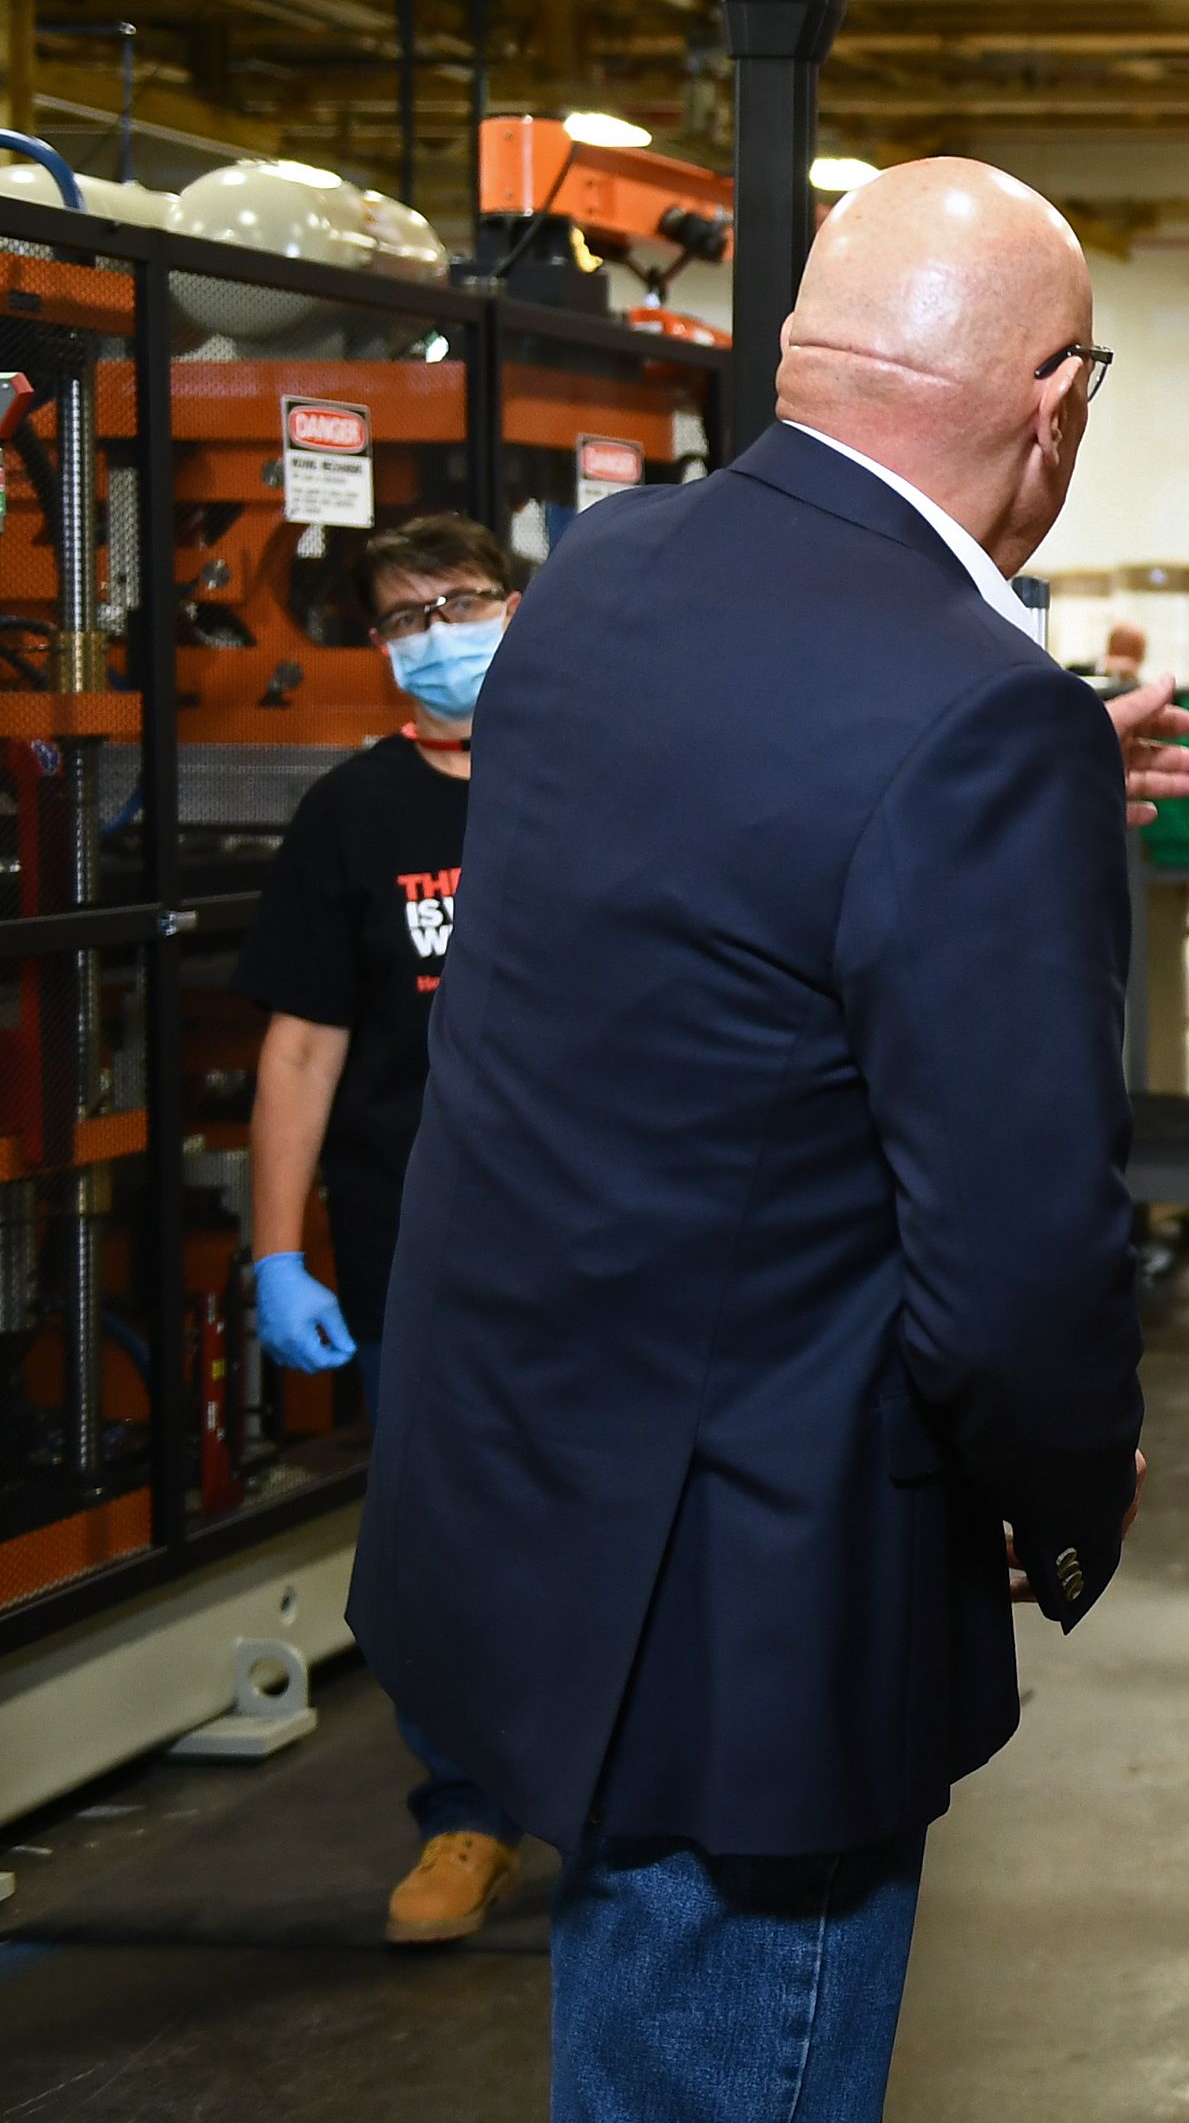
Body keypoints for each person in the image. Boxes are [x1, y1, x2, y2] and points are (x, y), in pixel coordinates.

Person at [350, 159, 1189, 2123]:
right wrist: (1073, 1487)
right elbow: (1013, 1261)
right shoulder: (982, 719)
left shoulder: (611, 583)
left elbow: (715, 957)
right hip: (756, 1595)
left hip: (533, 1505)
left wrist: (1022, 847)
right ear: (1055, 401)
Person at [235, 512, 530, 1944]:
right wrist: (276, 1251)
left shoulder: (597, 787)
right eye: (405, 618)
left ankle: (633, 1798)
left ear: (519, 607)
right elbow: (301, 1048)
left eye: (460, 602)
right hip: (418, 1238)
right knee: (440, 1539)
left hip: (605, 1238)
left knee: (619, 1511)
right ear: (376, 648)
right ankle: (469, 1813)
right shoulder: (352, 819)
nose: (437, 634)